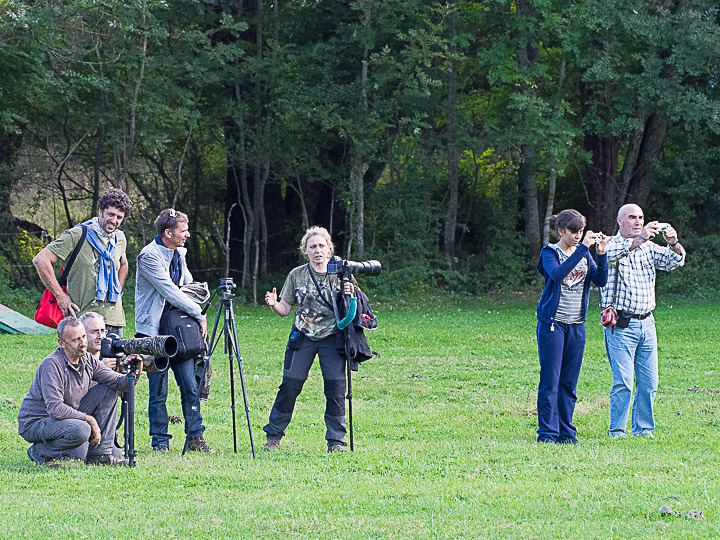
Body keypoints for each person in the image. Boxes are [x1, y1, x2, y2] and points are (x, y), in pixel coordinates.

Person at [263, 226, 356, 453]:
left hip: (333, 338)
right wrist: (274, 304)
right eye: (312, 246)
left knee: (335, 388)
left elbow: (355, 305)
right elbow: (285, 309)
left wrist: (350, 292)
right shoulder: (297, 275)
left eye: (322, 246)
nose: (317, 251)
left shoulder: (342, 272)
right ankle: (273, 437)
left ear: (329, 248)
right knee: (290, 386)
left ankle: (336, 442)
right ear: (305, 250)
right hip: (303, 336)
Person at [601, 204, 685, 439]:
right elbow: (609, 256)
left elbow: (675, 262)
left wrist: (673, 242)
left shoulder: (649, 247)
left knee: (649, 383)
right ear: (619, 220)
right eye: (632, 218)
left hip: (647, 323)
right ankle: (617, 431)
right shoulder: (610, 243)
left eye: (641, 218)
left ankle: (643, 430)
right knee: (624, 382)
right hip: (620, 324)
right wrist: (640, 237)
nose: (637, 222)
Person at [135, 208, 212, 454]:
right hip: (153, 332)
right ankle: (160, 442)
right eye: (183, 230)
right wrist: (199, 314)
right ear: (167, 232)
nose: (187, 234)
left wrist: (199, 298)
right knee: (158, 390)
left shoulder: (179, 253)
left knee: (190, 385)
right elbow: (170, 290)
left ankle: (195, 438)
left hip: (179, 331)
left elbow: (187, 286)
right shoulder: (149, 256)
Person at [18, 317, 138, 467]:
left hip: (67, 415)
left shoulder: (87, 359)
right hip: (37, 422)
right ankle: (40, 452)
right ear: (61, 343)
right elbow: (55, 409)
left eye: (83, 337)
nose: (83, 343)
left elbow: (119, 383)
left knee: (108, 390)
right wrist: (90, 419)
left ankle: (100, 456)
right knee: (82, 429)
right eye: (76, 340)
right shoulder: (52, 364)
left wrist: (134, 370)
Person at [535, 209, 609, 444]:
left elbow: (601, 280)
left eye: (581, 232)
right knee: (550, 380)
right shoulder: (550, 252)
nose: (578, 236)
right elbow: (557, 275)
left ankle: (567, 432)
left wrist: (601, 255)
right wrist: (582, 250)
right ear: (561, 231)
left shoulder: (584, 254)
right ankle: (547, 433)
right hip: (553, 325)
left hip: (577, 325)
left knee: (569, 382)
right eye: (573, 232)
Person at [32, 188, 133, 336]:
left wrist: (116, 291)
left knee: (112, 360)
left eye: (119, 217)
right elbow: (41, 260)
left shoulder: (120, 238)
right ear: (100, 211)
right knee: (82, 360)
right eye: (111, 214)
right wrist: (61, 296)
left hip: (113, 321)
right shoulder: (78, 234)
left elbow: (123, 264)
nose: (114, 220)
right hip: (82, 320)